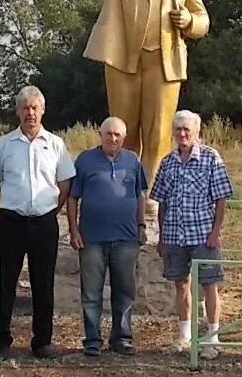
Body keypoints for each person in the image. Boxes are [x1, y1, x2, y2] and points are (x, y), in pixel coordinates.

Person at [47, 0, 210, 203]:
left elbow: (203, 20)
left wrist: (189, 21)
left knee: (159, 132)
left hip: (164, 63)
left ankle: (151, 197)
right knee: (123, 130)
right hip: (124, 62)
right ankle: (124, 193)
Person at [0, 85, 76, 360]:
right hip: (11, 223)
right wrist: (8, 206)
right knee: (4, 283)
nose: (30, 113)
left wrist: (48, 210)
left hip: (44, 224)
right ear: (17, 111)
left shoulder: (56, 144)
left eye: (35, 107)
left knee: (43, 283)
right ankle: (0, 341)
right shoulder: (3, 145)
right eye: (25, 108)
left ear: (42, 110)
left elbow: (64, 183)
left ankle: (42, 341)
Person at [150, 110, 233, 359]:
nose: (183, 134)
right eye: (179, 129)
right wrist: (162, 236)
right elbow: (161, 201)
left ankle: (212, 338)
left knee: (209, 284)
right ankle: (184, 336)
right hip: (175, 235)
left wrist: (216, 232)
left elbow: (220, 199)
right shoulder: (167, 162)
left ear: (197, 131)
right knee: (181, 284)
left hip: (203, 233)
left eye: (187, 129)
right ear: (173, 133)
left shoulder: (211, 158)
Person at [67, 117, 148, 357]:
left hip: (126, 238)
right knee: (91, 292)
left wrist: (141, 225)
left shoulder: (133, 160)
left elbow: (140, 195)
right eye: (108, 134)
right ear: (100, 134)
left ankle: (121, 338)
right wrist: (73, 229)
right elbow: (73, 197)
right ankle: (92, 340)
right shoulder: (85, 160)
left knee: (124, 291)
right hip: (91, 238)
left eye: (118, 135)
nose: (113, 139)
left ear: (124, 137)